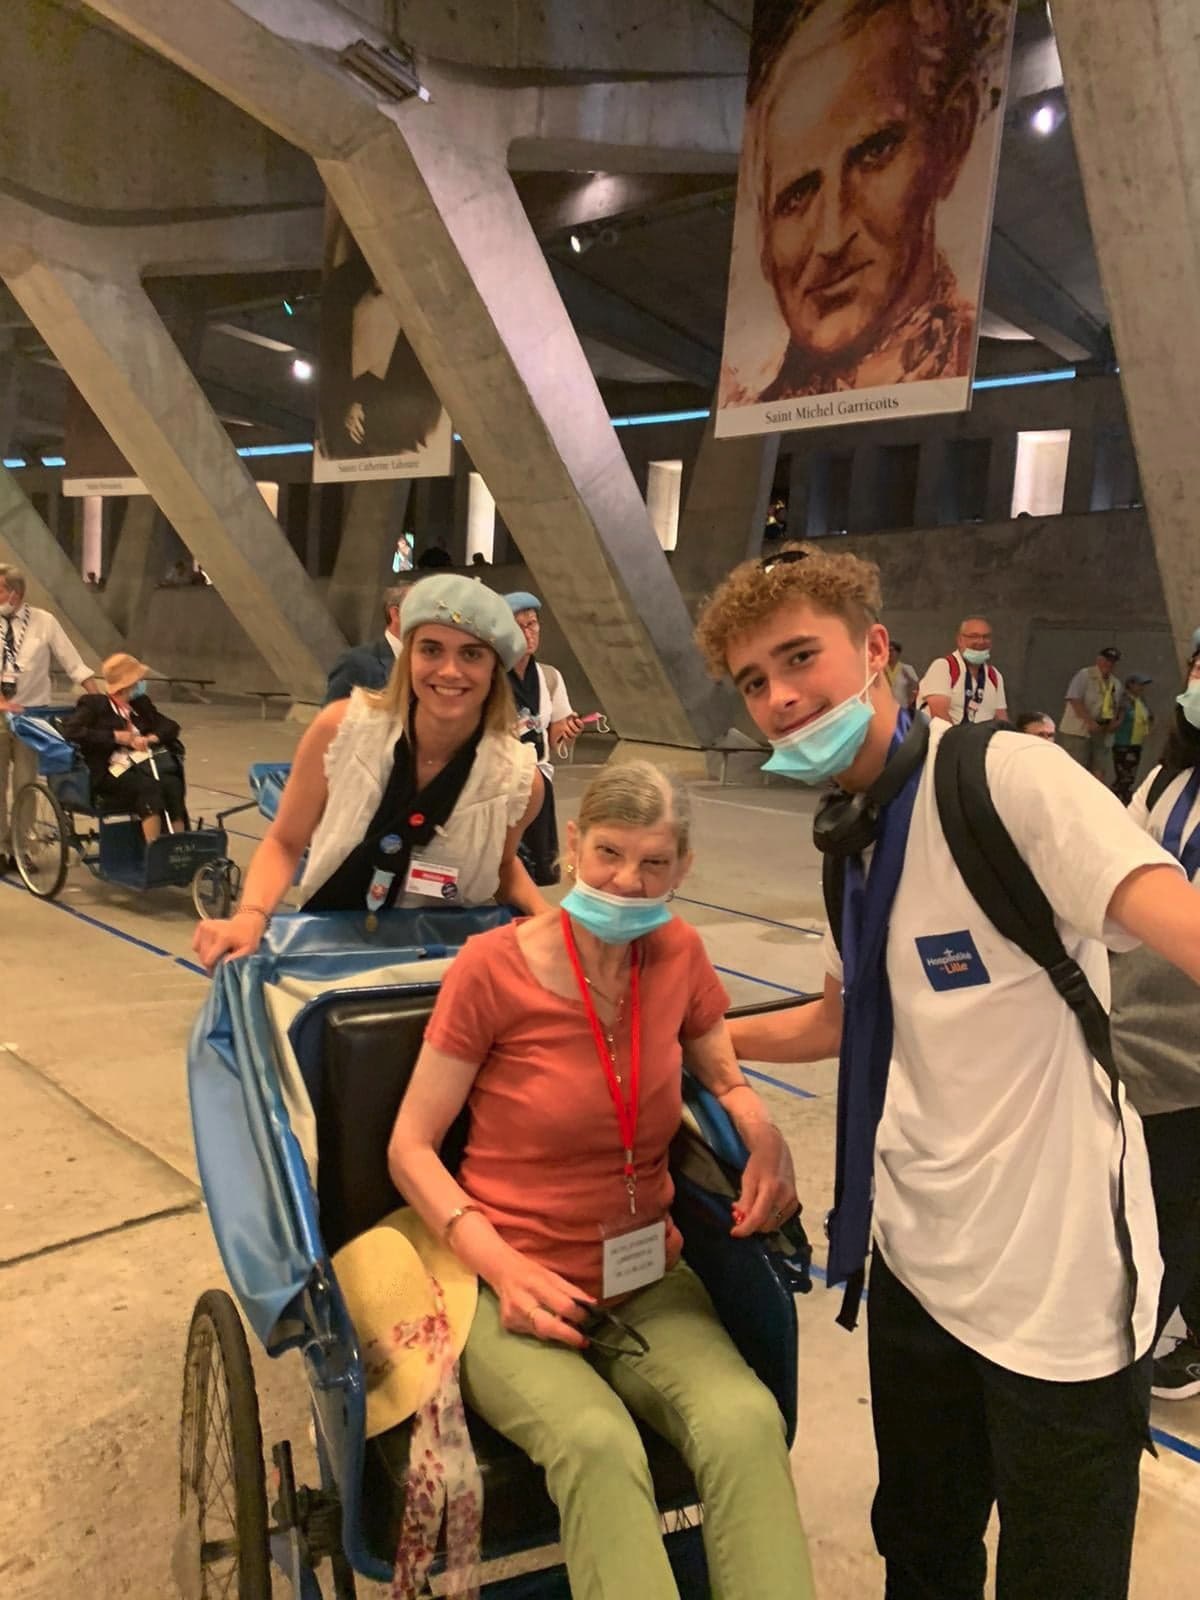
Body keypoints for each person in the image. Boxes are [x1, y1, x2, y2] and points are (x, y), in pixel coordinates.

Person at [694, 542, 1200, 1600]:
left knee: (1059, 1574)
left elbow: (1182, 925)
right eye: (753, 681)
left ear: (877, 648)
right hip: (917, 1264)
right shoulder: (852, 840)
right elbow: (845, 1017)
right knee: (923, 1552)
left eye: (800, 657)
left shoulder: (1006, 781)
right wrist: (695, 1040)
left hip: (1058, 1289)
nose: (780, 697)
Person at [387, 761, 815, 1600]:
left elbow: (724, 1078)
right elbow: (410, 1147)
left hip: (650, 1278)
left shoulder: (679, 953)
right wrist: (503, 1268)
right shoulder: (492, 970)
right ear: (575, 846)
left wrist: (765, 1138)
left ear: (684, 867)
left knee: (745, 1424)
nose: (627, 881)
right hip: (511, 1283)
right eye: (610, 854)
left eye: (654, 863)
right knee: (597, 1444)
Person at [193, 575, 547, 969]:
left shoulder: (516, 780)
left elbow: (501, 864)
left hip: (441, 970)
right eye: (431, 649)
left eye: (471, 654)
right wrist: (250, 916)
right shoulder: (342, 730)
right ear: (408, 656)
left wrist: (548, 918)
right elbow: (285, 841)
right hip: (332, 958)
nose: (449, 670)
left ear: (495, 669)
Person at [723, 0, 1009, 405]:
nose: (831, 239)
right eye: (796, 195)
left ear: (951, 136)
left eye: (874, 153)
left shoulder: (972, 362)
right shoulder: (753, 404)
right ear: (763, 239)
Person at [1112, 644, 1200, 1401]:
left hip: (1193, 1057)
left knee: (1176, 1208)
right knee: (1153, 1199)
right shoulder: (1167, 782)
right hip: (1137, 1030)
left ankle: (1127, 1363)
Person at [0, 563, 100, 874]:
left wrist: (98, 700)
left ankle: (21, 849)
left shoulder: (44, 621)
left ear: (15, 593)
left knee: (26, 784)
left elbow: (73, 663)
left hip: (31, 716)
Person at [505, 590, 584, 885]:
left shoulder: (549, 676)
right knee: (502, 864)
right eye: (519, 626)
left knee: (536, 871)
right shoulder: (489, 676)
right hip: (502, 783)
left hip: (539, 783)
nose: (529, 633)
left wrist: (568, 731)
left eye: (533, 624)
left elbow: (556, 737)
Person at [64, 655, 186, 843]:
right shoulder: (95, 704)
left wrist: (151, 738)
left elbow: (170, 726)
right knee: (148, 787)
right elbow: (72, 731)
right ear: (128, 684)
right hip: (111, 771)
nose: (141, 683)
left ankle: (180, 844)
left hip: (143, 765)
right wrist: (115, 736)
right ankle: (154, 848)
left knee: (172, 783)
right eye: (138, 680)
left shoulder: (140, 704)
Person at [323, 585, 410, 705]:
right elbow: (331, 712)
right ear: (396, 614)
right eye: (420, 610)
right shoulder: (355, 662)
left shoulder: (428, 663)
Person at [918, 616, 1008, 725]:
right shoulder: (943, 667)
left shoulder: (994, 675)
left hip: (981, 734)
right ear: (960, 640)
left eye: (986, 637)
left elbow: (1001, 718)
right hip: (945, 734)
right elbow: (939, 716)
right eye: (974, 636)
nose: (981, 641)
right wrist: (961, 736)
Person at [1060, 646, 1124, 781]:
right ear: (1099, 660)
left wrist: (1114, 723)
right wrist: (1089, 721)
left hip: (1102, 732)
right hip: (1079, 731)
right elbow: (1074, 699)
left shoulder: (1116, 683)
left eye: (1112, 662)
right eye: (1106, 660)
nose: (1109, 664)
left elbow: (1116, 707)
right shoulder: (1085, 675)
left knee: (1099, 770)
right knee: (1076, 769)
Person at [1111, 673, 1155, 805]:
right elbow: (1117, 719)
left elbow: (1150, 717)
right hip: (1124, 743)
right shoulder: (1124, 701)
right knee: (1124, 776)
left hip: (1136, 743)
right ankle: (1117, 799)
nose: (1142, 688)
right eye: (1139, 684)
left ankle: (1123, 797)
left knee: (1130, 775)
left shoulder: (1140, 701)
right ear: (1130, 685)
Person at [885, 640, 918, 711]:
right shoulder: (880, 669)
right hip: (884, 706)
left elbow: (916, 686)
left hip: (902, 706)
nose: (889, 653)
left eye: (891, 650)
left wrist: (911, 700)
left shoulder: (907, 668)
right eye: (887, 650)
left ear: (898, 653)